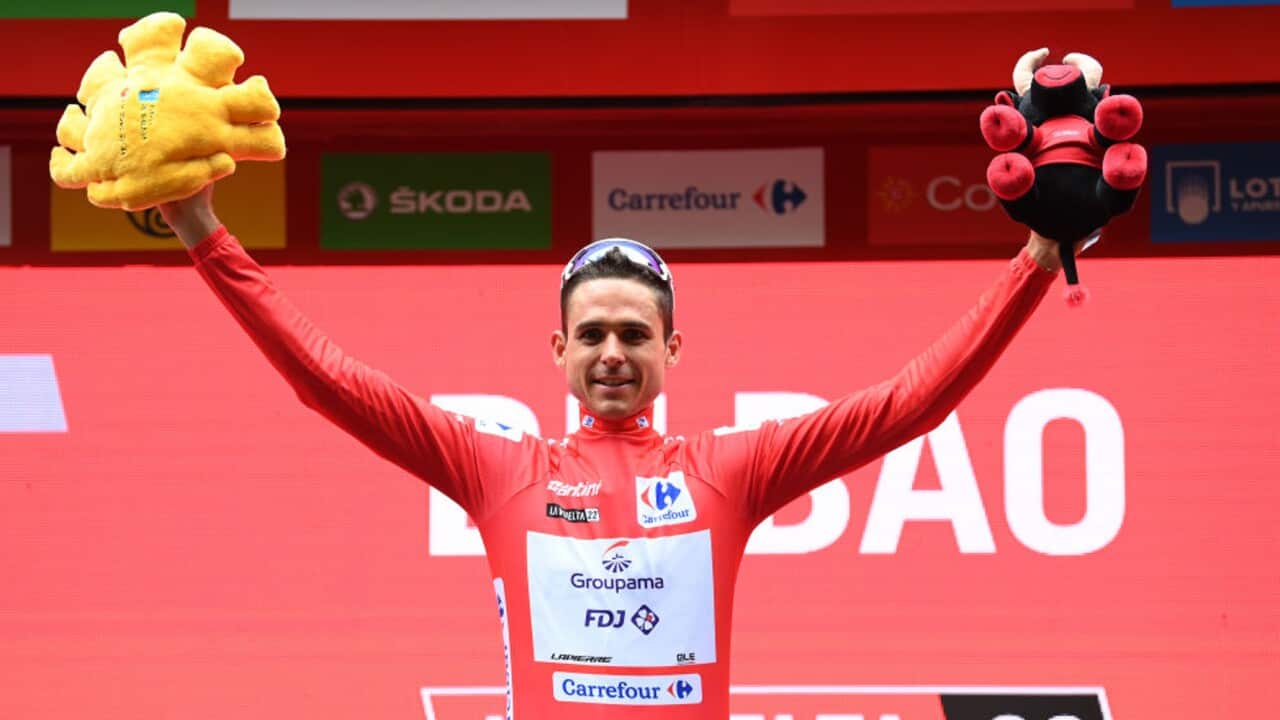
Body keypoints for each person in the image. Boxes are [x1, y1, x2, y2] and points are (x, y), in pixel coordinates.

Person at [158, 183, 1065, 718]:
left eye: (636, 334)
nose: (613, 354)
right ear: (557, 351)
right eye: (591, 334)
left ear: (673, 349)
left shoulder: (731, 472)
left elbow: (911, 404)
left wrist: (1038, 254)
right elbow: (330, 381)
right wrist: (203, 231)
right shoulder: (499, 472)